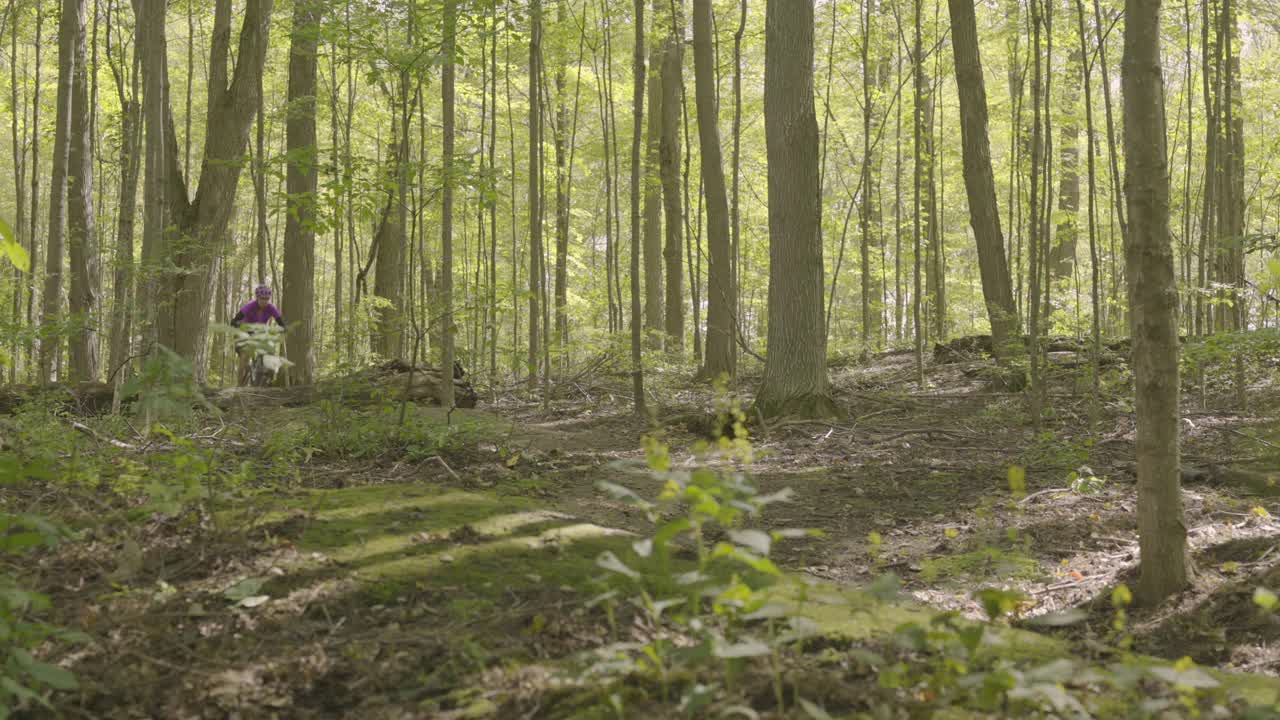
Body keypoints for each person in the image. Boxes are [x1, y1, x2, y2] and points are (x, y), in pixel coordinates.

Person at [231, 285, 286, 386]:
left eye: (266, 299)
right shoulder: (250, 306)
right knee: (244, 357)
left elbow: (280, 321)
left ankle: (263, 380)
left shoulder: (271, 308)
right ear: (257, 298)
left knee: (268, 351)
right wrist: (236, 323)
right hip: (244, 332)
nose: (264, 301)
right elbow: (235, 319)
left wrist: (283, 328)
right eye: (262, 299)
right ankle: (239, 385)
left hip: (258, 333)